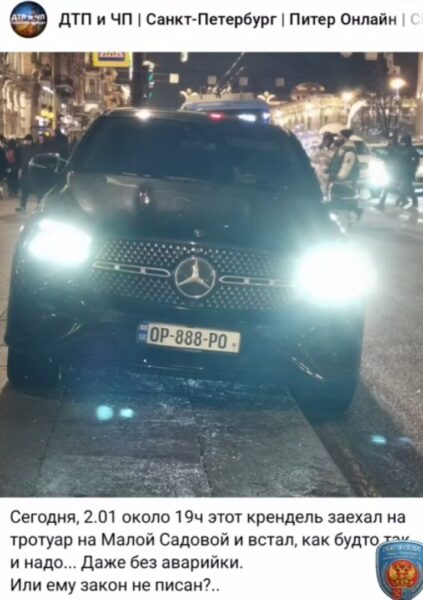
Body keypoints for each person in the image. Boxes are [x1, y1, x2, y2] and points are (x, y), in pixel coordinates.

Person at [328, 129, 363, 220]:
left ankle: (353, 212)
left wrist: (340, 176)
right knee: (339, 197)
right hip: (340, 178)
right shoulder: (342, 148)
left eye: (339, 136)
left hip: (345, 179)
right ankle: (353, 211)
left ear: (344, 137)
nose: (337, 138)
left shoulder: (349, 150)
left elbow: (347, 165)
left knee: (343, 197)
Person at [395, 134, 419, 210]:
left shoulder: (411, 150)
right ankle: (404, 200)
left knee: (408, 187)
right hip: (402, 171)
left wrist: (413, 167)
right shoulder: (402, 149)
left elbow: (416, 159)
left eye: (404, 141)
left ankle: (411, 201)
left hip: (408, 172)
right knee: (405, 187)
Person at [377, 136, 401, 209]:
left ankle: (381, 203)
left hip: (393, 170)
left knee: (388, 187)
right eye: (389, 139)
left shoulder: (395, 148)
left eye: (391, 139)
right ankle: (381, 203)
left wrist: (380, 155)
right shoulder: (391, 147)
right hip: (390, 169)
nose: (390, 141)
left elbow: (389, 157)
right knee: (388, 187)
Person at [310, 131, 336, 198]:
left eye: (326, 139)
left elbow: (330, 158)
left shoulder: (333, 148)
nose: (324, 141)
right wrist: (320, 148)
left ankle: (325, 198)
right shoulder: (321, 148)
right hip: (320, 171)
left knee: (326, 188)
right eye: (324, 139)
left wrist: (322, 157)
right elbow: (312, 158)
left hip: (328, 171)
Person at [16, 134, 37, 212]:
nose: (27, 142)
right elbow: (22, 160)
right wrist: (20, 169)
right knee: (25, 190)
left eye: (28, 140)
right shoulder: (24, 148)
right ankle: (22, 206)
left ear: (31, 141)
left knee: (35, 190)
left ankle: (39, 206)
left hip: (31, 172)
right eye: (26, 140)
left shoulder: (34, 148)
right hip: (25, 172)